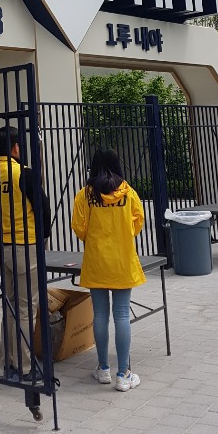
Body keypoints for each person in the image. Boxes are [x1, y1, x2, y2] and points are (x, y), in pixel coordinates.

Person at [0, 126, 51, 380]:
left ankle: (8, 361)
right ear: (16, 148)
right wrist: (44, 236)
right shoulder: (24, 173)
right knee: (25, 308)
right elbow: (43, 209)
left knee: (8, 304)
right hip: (24, 246)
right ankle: (26, 366)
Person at [71, 148, 145, 392]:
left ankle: (103, 369)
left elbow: (78, 227)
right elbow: (138, 222)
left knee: (100, 315)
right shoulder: (128, 192)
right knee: (122, 315)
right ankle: (123, 374)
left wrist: (92, 237)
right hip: (122, 262)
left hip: (96, 262)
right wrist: (123, 233)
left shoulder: (85, 194)